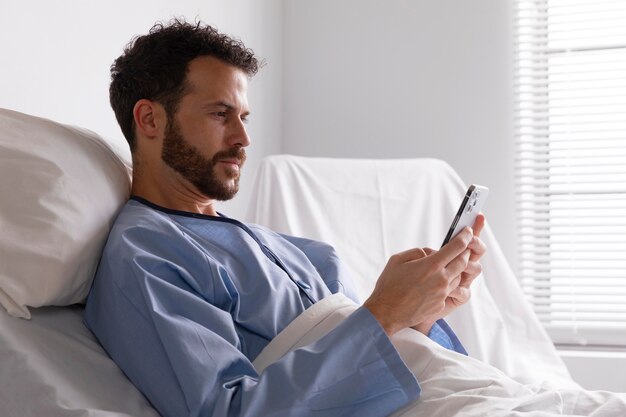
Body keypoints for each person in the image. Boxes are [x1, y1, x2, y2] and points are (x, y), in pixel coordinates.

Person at [84, 19, 486, 417]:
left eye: (244, 117)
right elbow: (231, 410)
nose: (243, 139)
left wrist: (419, 313)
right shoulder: (145, 256)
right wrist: (387, 311)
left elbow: (372, 357)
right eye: (221, 114)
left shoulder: (290, 249)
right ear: (150, 119)